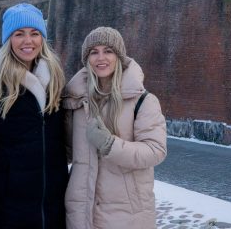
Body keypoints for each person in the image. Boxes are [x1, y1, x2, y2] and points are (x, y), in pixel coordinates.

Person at [0, 3, 68, 229]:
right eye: (19, 34)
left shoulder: (55, 85)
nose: (28, 41)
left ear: (43, 39)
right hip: (7, 213)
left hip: (53, 212)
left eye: (35, 34)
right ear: (8, 39)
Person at [63, 27, 167, 229]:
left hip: (127, 217)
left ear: (119, 56)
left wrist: (110, 145)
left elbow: (156, 151)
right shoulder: (75, 102)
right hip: (81, 215)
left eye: (108, 51)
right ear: (87, 59)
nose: (101, 58)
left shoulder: (143, 101)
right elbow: (66, 153)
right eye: (94, 52)